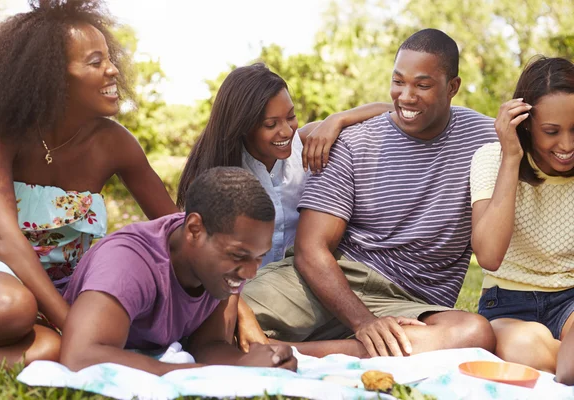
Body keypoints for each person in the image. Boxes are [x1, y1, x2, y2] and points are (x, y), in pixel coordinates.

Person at [242, 28, 498, 358]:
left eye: (422, 85)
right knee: (223, 309)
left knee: (473, 332)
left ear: (453, 87)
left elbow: (551, 139)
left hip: (411, 301)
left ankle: (291, 351)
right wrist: (363, 322)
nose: (406, 96)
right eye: (398, 82)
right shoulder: (353, 141)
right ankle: (350, 348)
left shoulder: (488, 138)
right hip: (331, 277)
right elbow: (311, 249)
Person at [0, 0, 177, 368]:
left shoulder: (115, 144)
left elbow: (179, 232)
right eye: (96, 62)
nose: (114, 70)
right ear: (50, 76)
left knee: (47, 352)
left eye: (109, 58)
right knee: (11, 308)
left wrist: (236, 306)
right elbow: (1, 238)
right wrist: (73, 325)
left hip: (57, 292)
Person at [176, 63, 392, 351]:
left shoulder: (304, 145)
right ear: (243, 126)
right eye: (271, 124)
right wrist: (242, 310)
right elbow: (201, 263)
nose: (286, 130)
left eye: (290, 117)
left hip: (295, 287)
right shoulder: (219, 175)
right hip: (235, 293)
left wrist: (336, 120)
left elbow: (387, 110)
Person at [60, 167, 297, 375]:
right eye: (239, 256)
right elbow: (81, 356)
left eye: (259, 258)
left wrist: (253, 363)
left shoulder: (226, 262)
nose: (250, 273)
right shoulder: (127, 263)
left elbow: (209, 345)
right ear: (195, 229)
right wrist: (199, 373)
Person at [472, 56, 574, 373]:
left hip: (571, 299)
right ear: (526, 124)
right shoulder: (492, 159)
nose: (567, 144)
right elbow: (488, 255)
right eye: (551, 131)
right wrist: (512, 158)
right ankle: (564, 363)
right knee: (520, 346)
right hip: (507, 302)